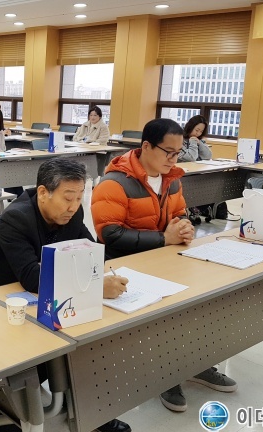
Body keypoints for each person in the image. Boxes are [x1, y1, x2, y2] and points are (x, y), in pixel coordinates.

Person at [0, 158, 132, 432]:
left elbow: (91, 252)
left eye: (79, 197)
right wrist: (95, 285)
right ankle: (13, 411)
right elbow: (32, 277)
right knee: (34, 356)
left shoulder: (71, 213)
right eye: (68, 197)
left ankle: (89, 411)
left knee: (88, 340)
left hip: (44, 299)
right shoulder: (16, 218)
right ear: (43, 192)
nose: (74, 206)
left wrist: (92, 273)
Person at [91, 118, 237, 413]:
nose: (174, 159)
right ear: (146, 146)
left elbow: (180, 212)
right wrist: (163, 238)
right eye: (168, 152)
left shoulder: (172, 179)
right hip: (124, 267)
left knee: (202, 300)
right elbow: (110, 234)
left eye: (178, 152)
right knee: (166, 315)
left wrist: (183, 226)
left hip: (164, 258)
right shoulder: (114, 183)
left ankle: (196, 363)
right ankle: (166, 374)